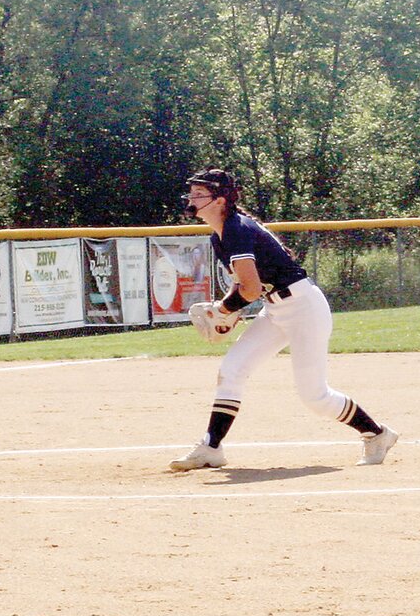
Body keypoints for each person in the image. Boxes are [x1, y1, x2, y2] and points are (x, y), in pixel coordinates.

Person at [169, 168, 398, 471]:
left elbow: (250, 289)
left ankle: (377, 434)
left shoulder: (237, 229)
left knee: (314, 397)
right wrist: (229, 310)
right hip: (275, 310)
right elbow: (245, 286)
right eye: (193, 193)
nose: (192, 198)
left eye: (200, 193)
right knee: (232, 369)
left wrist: (222, 311)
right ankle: (211, 447)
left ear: (220, 200)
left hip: (304, 309)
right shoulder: (220, 236)